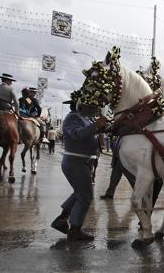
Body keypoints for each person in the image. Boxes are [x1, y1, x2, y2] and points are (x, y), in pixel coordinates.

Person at [50, 98, 107, 241]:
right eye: (91, 105)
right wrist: (95, 126)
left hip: (83, 161)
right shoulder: (73, 117)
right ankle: (75, 229)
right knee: (85, 196)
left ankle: (62, 219)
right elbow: (76, 134)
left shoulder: (86, 118)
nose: (95, 108)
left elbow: (91, 132)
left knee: (79, 193)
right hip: (75, 161)